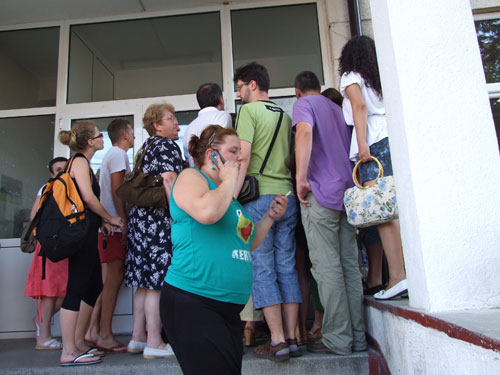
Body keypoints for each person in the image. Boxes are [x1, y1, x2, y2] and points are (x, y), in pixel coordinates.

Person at [160, 125, 289, 374]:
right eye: (233, 151)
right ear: (212, 155)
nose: (241, 157)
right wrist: (229, 180)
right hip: (194, 302)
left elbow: (246, 242)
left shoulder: (229, 199)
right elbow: (207, 213)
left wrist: (270, 217)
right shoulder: (191, 177)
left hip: (226, 309)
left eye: (240, 151)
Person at [293, 70, 367, 355]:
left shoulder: (304, 105)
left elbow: (305, 131)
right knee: (349, 266)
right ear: (318, 87)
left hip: (321, 195)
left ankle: (337, 339)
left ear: (298, 91)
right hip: (347, 194)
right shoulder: (337, 108)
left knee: (327, 269)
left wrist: (301, 177)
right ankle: (357, 338)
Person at [233, 62, 301, 360]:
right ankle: (292, 336)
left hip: (257, 197)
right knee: (286, 265)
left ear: (251, 84)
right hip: (286, 196)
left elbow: (243, 155)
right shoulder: (284, 115)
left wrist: (231, 196)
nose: (238, 94)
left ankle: (276, 340)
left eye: (239, 87)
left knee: (261, 265)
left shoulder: (248, 112)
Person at [339, 35, 407, 300]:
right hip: (390, 138)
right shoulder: (377, 79)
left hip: (373, 142)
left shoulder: (350, 76)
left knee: (383, 214)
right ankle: (401, 274)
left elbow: (358, 105)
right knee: (392, 209)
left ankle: (397, 277)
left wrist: (361, 143)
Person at [57, 121, 124, 366]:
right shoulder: (80, 162)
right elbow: (87, 197)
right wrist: (109, 216)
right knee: (77, 287)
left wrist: (101, 223)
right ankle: (68, 350)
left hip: (88, 232)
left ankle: (79, 343)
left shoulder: (82, 163)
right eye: (98, 135)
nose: (102, 138)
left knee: (93, 284)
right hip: (79, 235)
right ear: (90, 142)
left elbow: (86, 202)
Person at [124, 103, 183, 359]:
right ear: (157, 125)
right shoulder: (166, 145)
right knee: (157, 283)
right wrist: (178, 214)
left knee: (144, 283)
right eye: (171, 119)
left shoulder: (144, 148)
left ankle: (137, 338)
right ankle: (155, 342)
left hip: (140, 219)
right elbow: (169, 179)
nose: (176, 122)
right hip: (159, 219)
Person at [85, 119, 134, 352]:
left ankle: (93, 329)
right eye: (132, 132)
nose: (134, 136)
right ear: (124, 135)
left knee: (108, 283)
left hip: (108, 228)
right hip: (112, 229)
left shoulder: (114, 155)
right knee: (112, 283)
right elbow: (117, 191)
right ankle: (104, 334)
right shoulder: (118, 154)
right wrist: (122, 221)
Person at [25, 157, 68, 350]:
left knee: (64, 292)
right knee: (49, 292)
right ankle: (43, 337)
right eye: (58, 169)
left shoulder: (70, 187)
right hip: (50, 245)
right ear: (51, 174)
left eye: (65, 168)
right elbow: (34, 216)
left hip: (66, 246)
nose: (61, 172)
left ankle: (41, 321)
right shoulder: (46, 189)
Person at [183, 83, 232, 167]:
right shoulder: (223, 116)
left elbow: (188, 157)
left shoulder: (189, 127)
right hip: (217, 175)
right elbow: (223, 147)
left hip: (197, 176)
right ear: (221, 100)